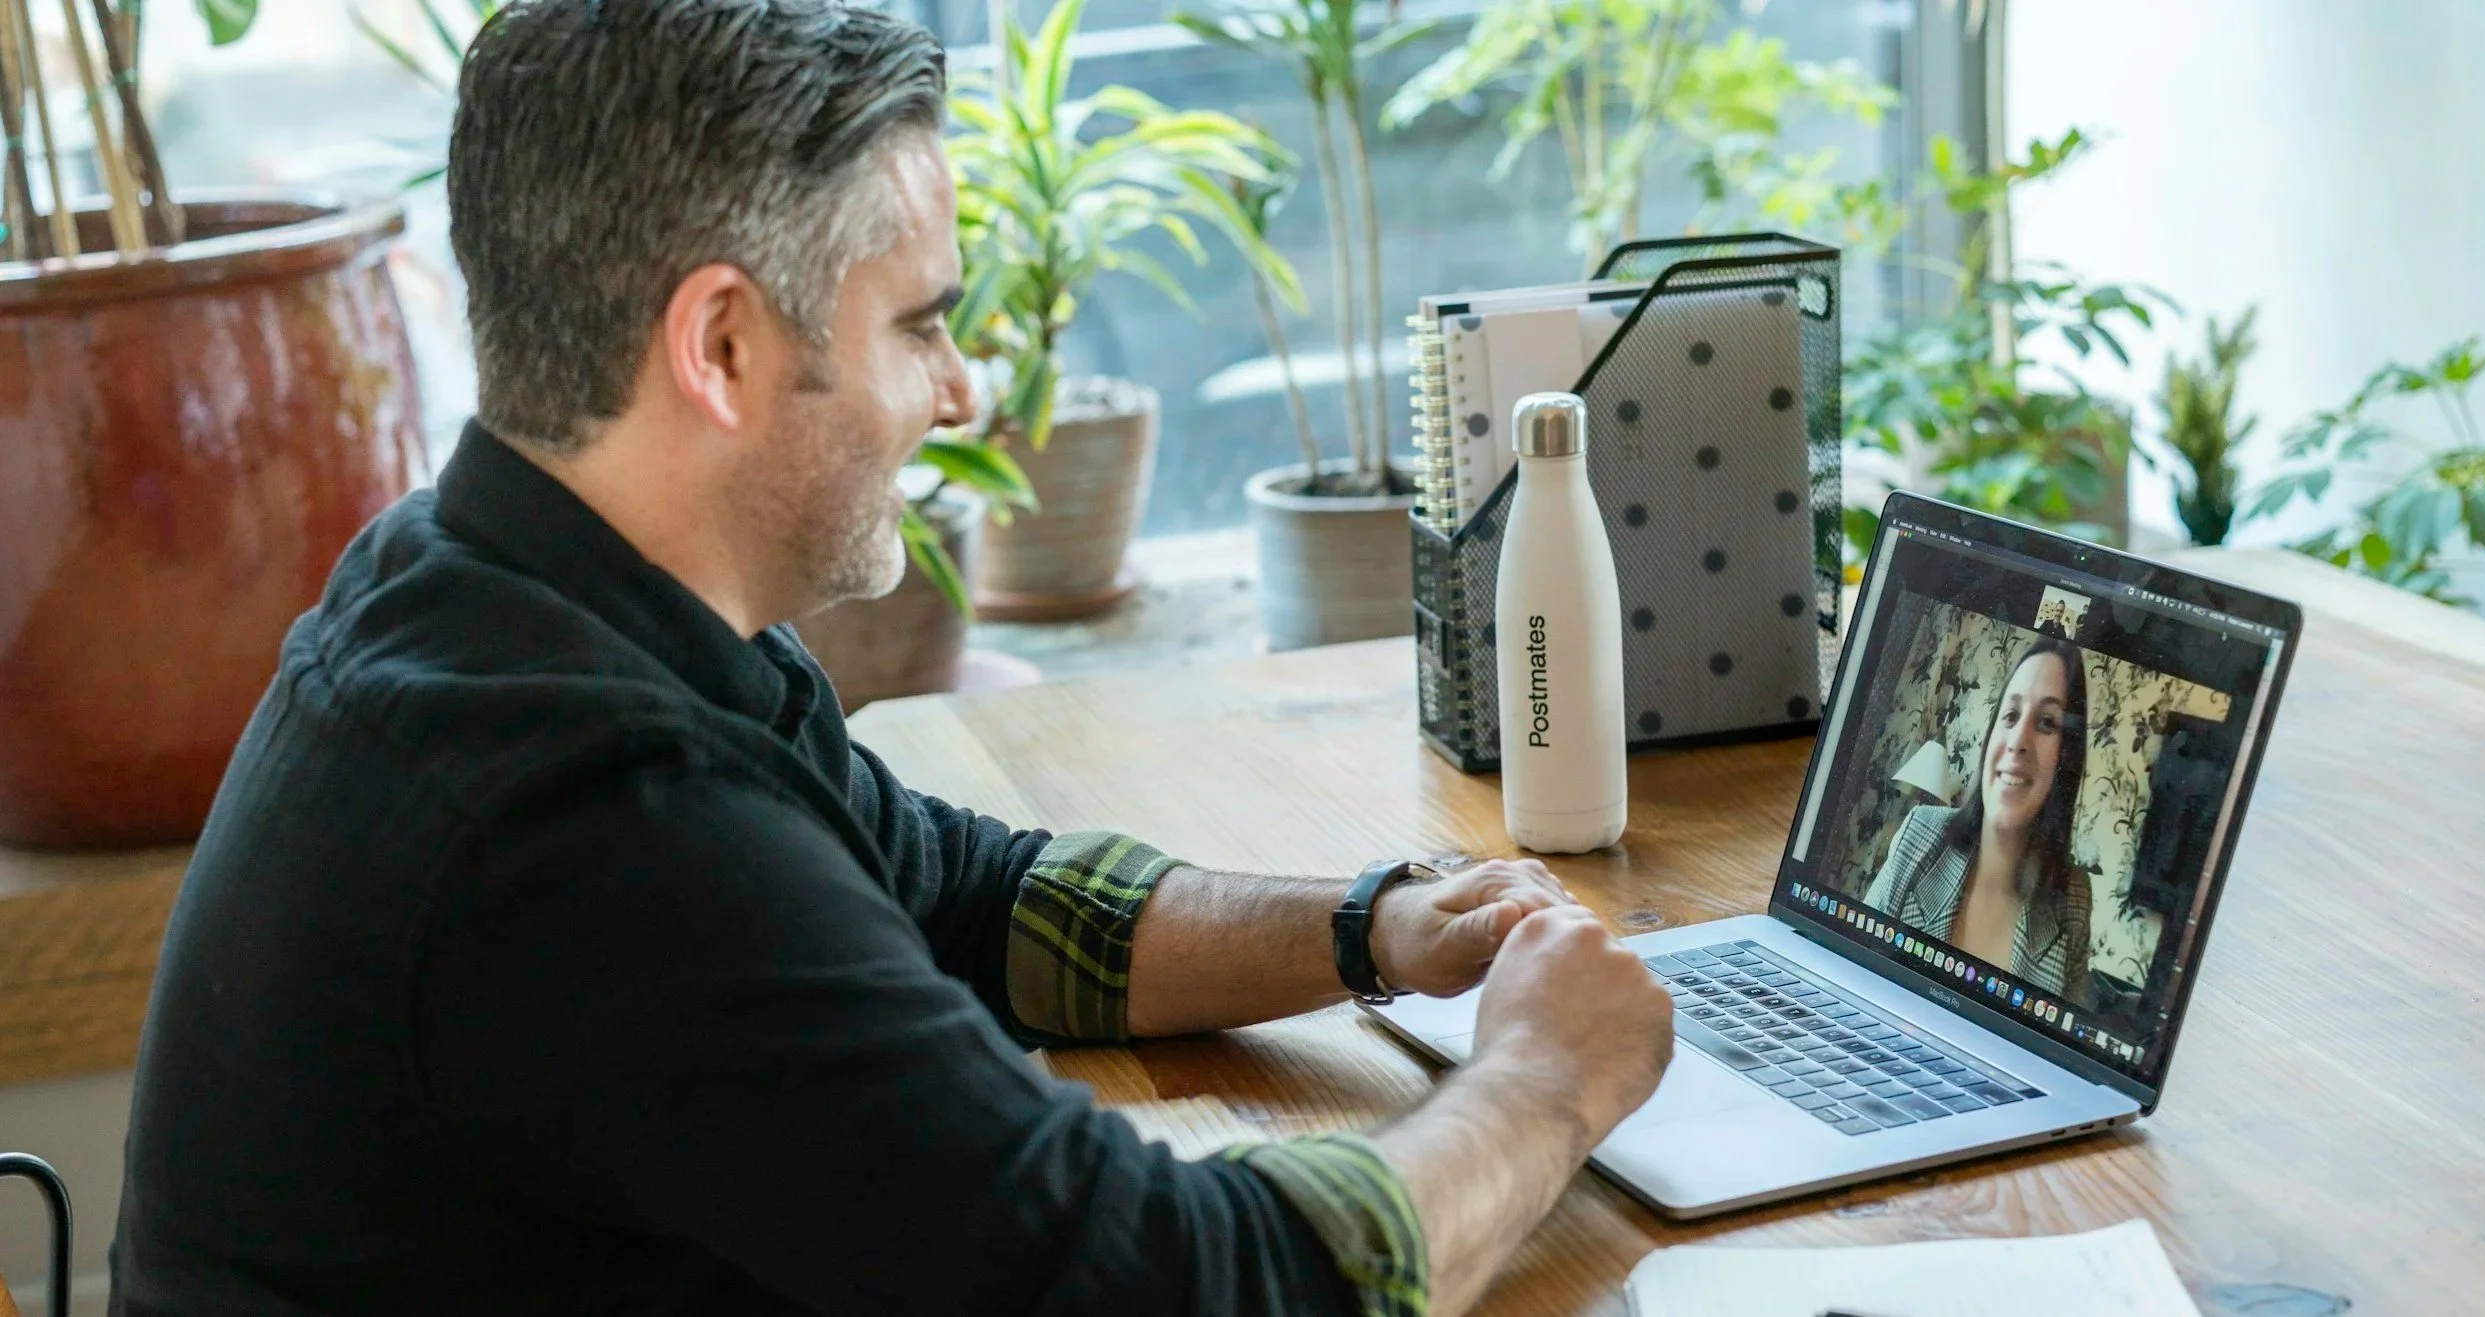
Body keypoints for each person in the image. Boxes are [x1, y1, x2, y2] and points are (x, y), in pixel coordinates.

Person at [106, 3, 1678, 1314]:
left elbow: (962, 897)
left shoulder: (502, 584)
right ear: (720, 347)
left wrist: (1377, 928)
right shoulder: (596, 826)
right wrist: (1546, 1081)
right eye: (919, 324)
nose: (966, 390)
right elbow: (1182, 1294)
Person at [1863, 635, 2095, 999]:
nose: (2019, 740)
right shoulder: (1920, 834)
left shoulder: (2074, 899)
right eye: (2011, 715)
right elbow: (1850, 964)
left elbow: (2061, 1045)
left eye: (2047, 723)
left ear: (2066, 758)